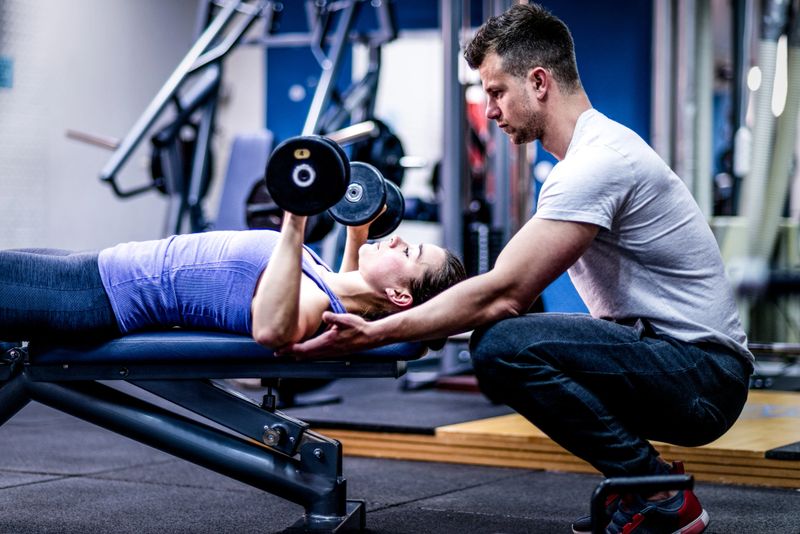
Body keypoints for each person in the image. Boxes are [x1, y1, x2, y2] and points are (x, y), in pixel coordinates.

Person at [285, 4, 754, 534]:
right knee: (510, 328)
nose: (488, 110)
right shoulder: (587, 157)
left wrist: (374, 332)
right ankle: (644, 487)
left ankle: (658, 492)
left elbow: (502, 294)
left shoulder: (596, 164)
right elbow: (511, 294)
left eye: (495, 91)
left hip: (702, 377)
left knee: (501, 346)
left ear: (538, 81)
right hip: (682, 364)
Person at [0, 211, 466, 349]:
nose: (400, 240)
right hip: (94, 270)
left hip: (93, 295)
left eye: (411, 253)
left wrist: (296, 219)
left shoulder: (307, 301)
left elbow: (272, 329)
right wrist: (358, 232)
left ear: (400, 295)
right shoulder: (328, 287)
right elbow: (344, 287)